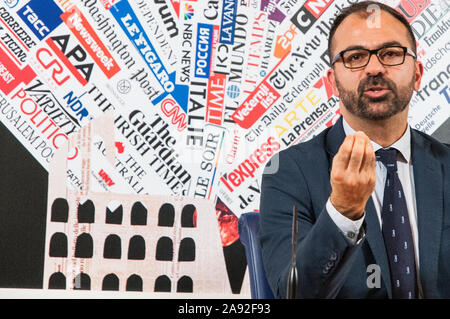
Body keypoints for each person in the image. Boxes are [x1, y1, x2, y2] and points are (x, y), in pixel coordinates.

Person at [259, 1, 450, 299]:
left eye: (391, 53)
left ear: (417, 74)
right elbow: (293, 294)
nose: (375, 67)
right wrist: (343, 211)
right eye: (355, 57)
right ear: (332, 81)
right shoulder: (287, 173)